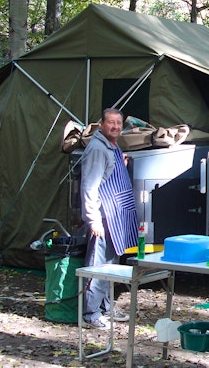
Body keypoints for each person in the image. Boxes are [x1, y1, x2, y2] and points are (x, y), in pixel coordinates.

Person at [80, 108, 139, 329]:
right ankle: (90, 314)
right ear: (102, 125)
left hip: (115, 217)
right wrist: (93, 220)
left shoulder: (112, 147)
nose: (115, 127)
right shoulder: (97, 148)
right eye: (111, 123)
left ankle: (105, 307)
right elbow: (89, 186)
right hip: (103, 217)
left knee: (110, 266)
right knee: (97, 266)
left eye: (118, 123)